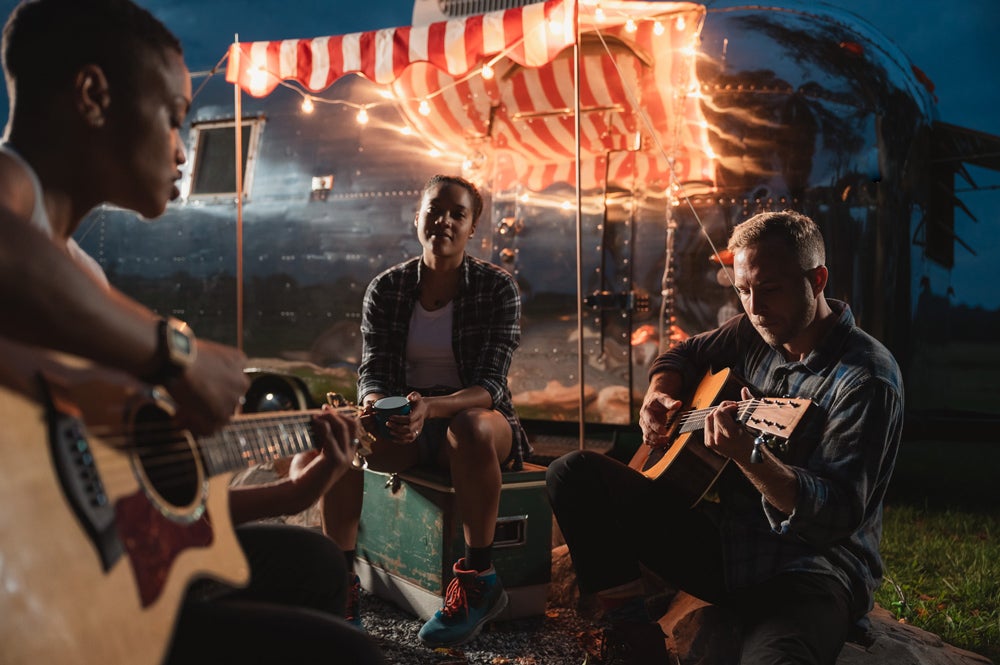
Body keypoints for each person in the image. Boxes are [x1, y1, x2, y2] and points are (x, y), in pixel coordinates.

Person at [0, 1, 385, 662]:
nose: (183, 150)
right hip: (33, 595)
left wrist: (301, 487)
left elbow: (135, 489)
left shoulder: (83, 278)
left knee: (314, 565)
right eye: (175, 118)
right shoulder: (11, 195)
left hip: (100, 559)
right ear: (93, 95)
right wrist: (176, 354)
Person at [546, 210, 904, 664]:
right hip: (725, 544)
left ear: (817, 279)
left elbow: (836, 516)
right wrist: (659, 394)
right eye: (743, 290)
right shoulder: (752, 332)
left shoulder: (867, 378)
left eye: (769, 289)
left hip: (811, 572)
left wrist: (749, 457)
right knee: (571, 472)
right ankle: (634, 636)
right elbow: (682, 353)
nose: (754, 308)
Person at [320, 174, 531, 647]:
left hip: (476, 423)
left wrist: (430, 407)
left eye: (458, 213)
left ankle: (479, 579)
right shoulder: (387, 288)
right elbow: (373, 369)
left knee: (471, 428)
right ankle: (341, 585)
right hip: (406, 426)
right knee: (345, 438)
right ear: (417, 216)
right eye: (435, 209)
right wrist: (375, 406)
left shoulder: (498, 287)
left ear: (472, 227)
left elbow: (491, 386)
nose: (445, 220)